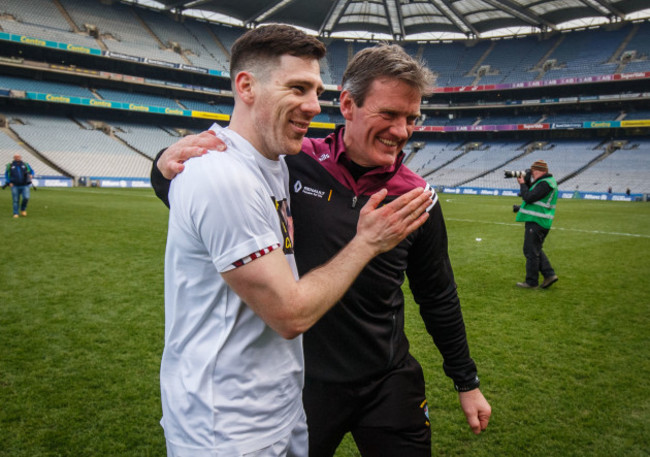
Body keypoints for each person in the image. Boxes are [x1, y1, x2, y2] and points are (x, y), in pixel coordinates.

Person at [153, 44, 491, 456]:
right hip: (302, 385)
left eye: (411, 118)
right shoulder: (291, 163)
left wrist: (467, 382)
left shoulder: (415, 198)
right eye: (388, 114)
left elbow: (437, 295)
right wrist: (163, 165)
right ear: (348, 104)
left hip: (387, 378)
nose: (401, 131)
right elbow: (205, 202)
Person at [515, 159, 559, 289]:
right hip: (539, 220)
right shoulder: (544, 182)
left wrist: (522, 183)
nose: (532, 173)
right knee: (534, 249)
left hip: (537, 221)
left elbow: (528, 197)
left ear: (542, 171)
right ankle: (549, 275)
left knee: (531, 251)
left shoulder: (545, 183)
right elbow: (533, 199)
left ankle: (531, 281)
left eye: (534, 171)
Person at [5, 154, 34, 218]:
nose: (17, 158)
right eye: (16, 157)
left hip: (25, 185)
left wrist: (31, 175)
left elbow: (31, 171)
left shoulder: (25, 165)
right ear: (14, 158)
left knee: (26, 197)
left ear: (20, 157)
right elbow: (7, 174)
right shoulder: (10, 165)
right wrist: (9, 182)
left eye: (18, 157)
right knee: (15, 200)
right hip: (15, 185)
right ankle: (16, 213)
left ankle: (23, 209)